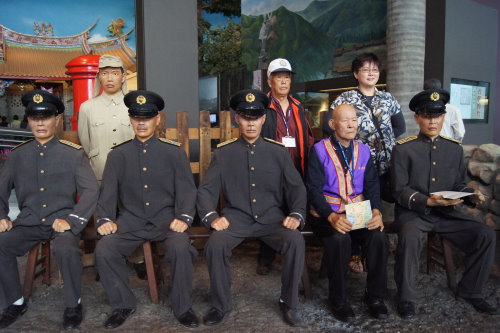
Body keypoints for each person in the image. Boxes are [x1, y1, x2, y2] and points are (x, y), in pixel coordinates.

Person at [197, 89, 307, 327]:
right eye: (245, 117)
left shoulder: (277, 152)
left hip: (272, 218)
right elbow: (206, 191)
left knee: (295, 240)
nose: (250, 123)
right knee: (215, 244)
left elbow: (296, 188)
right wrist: (211, 217)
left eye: (255, 116)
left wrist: (296, 214)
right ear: (237, 118)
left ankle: (289, 303)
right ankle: (220, 304)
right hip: (236, 219)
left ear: (263, 118)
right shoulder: (223, 153)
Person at [94, 90, 199, 329]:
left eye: (147, 117)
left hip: (166, 219)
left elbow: (187, 190)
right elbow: (108, 194)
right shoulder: (118, 155)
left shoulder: (173, 152)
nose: (142, 122)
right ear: (130, 119)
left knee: (180, 247)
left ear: (158, 119)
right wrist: (105, 219)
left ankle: (182, 306)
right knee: (105, 249)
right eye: (137, 117)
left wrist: (183, 217)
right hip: (131, 221)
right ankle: (123, 304)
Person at [391, 88, 496, 318]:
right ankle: (406, 298)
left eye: (437, 116)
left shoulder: (454, 149)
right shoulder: (403, 149)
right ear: (417, 118)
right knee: (408, 236)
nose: (432, 121)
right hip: (415, 213)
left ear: (443, 117)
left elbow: (457, 183)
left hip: (447, 215)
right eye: (427, 116)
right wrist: (427, 200)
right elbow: (398, 191)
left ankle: (471, 290)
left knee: (485, 234)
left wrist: (469, 194)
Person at [0, 90, 99, 330]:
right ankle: (15, 301)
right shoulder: (17, 155)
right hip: (29, 222)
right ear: (29, 120)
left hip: (62, 221)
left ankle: (73, 304)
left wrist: (73, 221)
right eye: (35, 118)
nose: (40, 123)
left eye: (46, 118)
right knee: (1, 243)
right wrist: (1, 216)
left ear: (57, 120)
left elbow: (91, 190)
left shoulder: (73, 154)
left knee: (66, 248)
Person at [323, 53, 405, 273]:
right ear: (356, 74)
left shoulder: (388, 98)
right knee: (357, 204)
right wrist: (356, 144)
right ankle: (355, 252)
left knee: (379, 207)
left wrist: (381, 142)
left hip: (385, 166)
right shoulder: (346, 97)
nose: (371, 73)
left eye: (375, 69)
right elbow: (328, 126)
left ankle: (377, 251)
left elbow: (400, 127)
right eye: (366, 69)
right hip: (355, 166)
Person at [307, 104, 388, 322]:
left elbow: (372, 184)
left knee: (378, 236)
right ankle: (338, 300)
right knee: (339, 239)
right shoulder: (318, 149)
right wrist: (331, 216)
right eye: (345, 120)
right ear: (333, 124)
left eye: (354, 119)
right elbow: (313, 189)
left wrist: (377, 211)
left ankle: (375, 297)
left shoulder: (363, 150)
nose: (351, 124)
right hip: (326, 213)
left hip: (356, 211)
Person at [257, 58, 315, 275]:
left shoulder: (298, 107)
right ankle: (266, 257)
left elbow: (307, 137)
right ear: (270, 81)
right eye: (279, 77)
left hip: (296, 167)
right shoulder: (263, 106)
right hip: (271, 170)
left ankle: (292, 253)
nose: (283, 82)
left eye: (287, 77)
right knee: (270, 211)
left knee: (294, 208)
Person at [78, 54, 134, 183]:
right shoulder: (87, 107)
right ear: (98, 77)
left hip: (129, 173)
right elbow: (86, 143)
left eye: (115, 73)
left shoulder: (132, 106)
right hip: (99, 174)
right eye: (104, 73)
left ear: (123, 77)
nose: (109, 78)